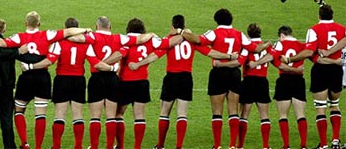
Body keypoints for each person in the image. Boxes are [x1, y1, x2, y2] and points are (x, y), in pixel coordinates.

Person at [128, 15, 235, 149]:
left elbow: (155, 56)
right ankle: (179, 146)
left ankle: (160, 145)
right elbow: (210, 52)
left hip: (171, 77)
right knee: (182, 113)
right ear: (184, 26)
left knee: (164, 112)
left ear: (172, 26)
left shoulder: (170, 39)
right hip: (186, 78)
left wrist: (139, 64)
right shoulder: (191, 41)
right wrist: (229, 56)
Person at [0, 11, 90, 149]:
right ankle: (38, 147)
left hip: (26, 77)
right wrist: (86, 29)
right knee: (40, 114)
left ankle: (25, 143)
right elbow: (68, 32)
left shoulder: (18, 37)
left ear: (26, 23)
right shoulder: (47, 35)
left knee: (19, 110)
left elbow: (2, 43)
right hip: (43, 78)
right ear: (39, 24)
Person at [20, 17, 116, 149]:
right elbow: (94, 62)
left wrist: (31, 66)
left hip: (62, 80)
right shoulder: (85, 44)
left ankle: (56, 146)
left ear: (67, 29)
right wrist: (112, 68)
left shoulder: (59, 42)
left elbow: (49, 61)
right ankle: (78, 146)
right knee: (78, 114)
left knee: (60, 114)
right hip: (79, 80)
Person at [181, 9, 270, 149]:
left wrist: (183, 33)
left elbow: (198, 40)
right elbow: (256, 48)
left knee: (217, 111)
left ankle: (217, 145)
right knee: (233, 110)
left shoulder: (214, 33)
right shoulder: (239, 34)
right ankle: (232, 145)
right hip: (234, 74)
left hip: (218, 73)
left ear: (217, 20)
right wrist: (267, 44)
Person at [80, 16, 153, 149]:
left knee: (95, 117)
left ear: (97, 27)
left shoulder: (92, 38)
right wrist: (150, 35)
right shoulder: (119, 38)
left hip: (96, 78)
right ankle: (109, 146)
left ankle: (94, 146)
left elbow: (92, 60)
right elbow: (139, 39)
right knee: (111, 116)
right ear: (110, 27)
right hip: (113, 79)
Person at [282, 5, 345, 149]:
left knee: (320, 107)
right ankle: (335, 141)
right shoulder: (342, 29)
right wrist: (332, 56)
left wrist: (291, 60)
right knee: (335, 105)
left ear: (319, 16)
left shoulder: (314, 30)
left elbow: (309, 52)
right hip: (336, 70)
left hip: (321, 71)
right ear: (332, 15)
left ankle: (323, 144)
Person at [113, 18, 179, 149]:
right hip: (142, 82)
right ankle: (137, 146)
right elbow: (169, 44)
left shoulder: (126, 40)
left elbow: (120, 55)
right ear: (142, 29)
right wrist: (181, 34)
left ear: (128, 29)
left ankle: (120, 146)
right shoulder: (151, 41)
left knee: (118, 114)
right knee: (139, 116)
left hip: (125, 81)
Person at [247, 25, 307, 149]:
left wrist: (256, 63)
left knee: (283, 115)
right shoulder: (302, 45)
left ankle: (286, 145)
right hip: (299, 81)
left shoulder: (280, 44)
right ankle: (303, 145)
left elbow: (271, 57)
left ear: (282, 35)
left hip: (284, 81)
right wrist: (297, 70)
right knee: (300, 115)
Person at [0, 19, 35, 149]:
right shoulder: (10, 47)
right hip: (6, 88)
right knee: (6, 120)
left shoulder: (9, 48)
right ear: (4, 30)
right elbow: (20, 55)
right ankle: (10, 146)